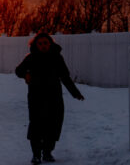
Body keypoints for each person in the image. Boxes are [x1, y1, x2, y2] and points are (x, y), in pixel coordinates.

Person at [15, 33, 85, 164]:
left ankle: (47, 152)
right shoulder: (31, 58)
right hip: (36, 97)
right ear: (35, 45)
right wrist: (26, 74)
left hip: (54, 97)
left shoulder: (57, 58)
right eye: (40, 43)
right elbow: (18, 71)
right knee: (36, 125)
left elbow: (65, 77)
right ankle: (36, 155)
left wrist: (75, 93)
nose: (43, 46)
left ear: (50, 44)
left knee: (53, 124)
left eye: (45, 43)